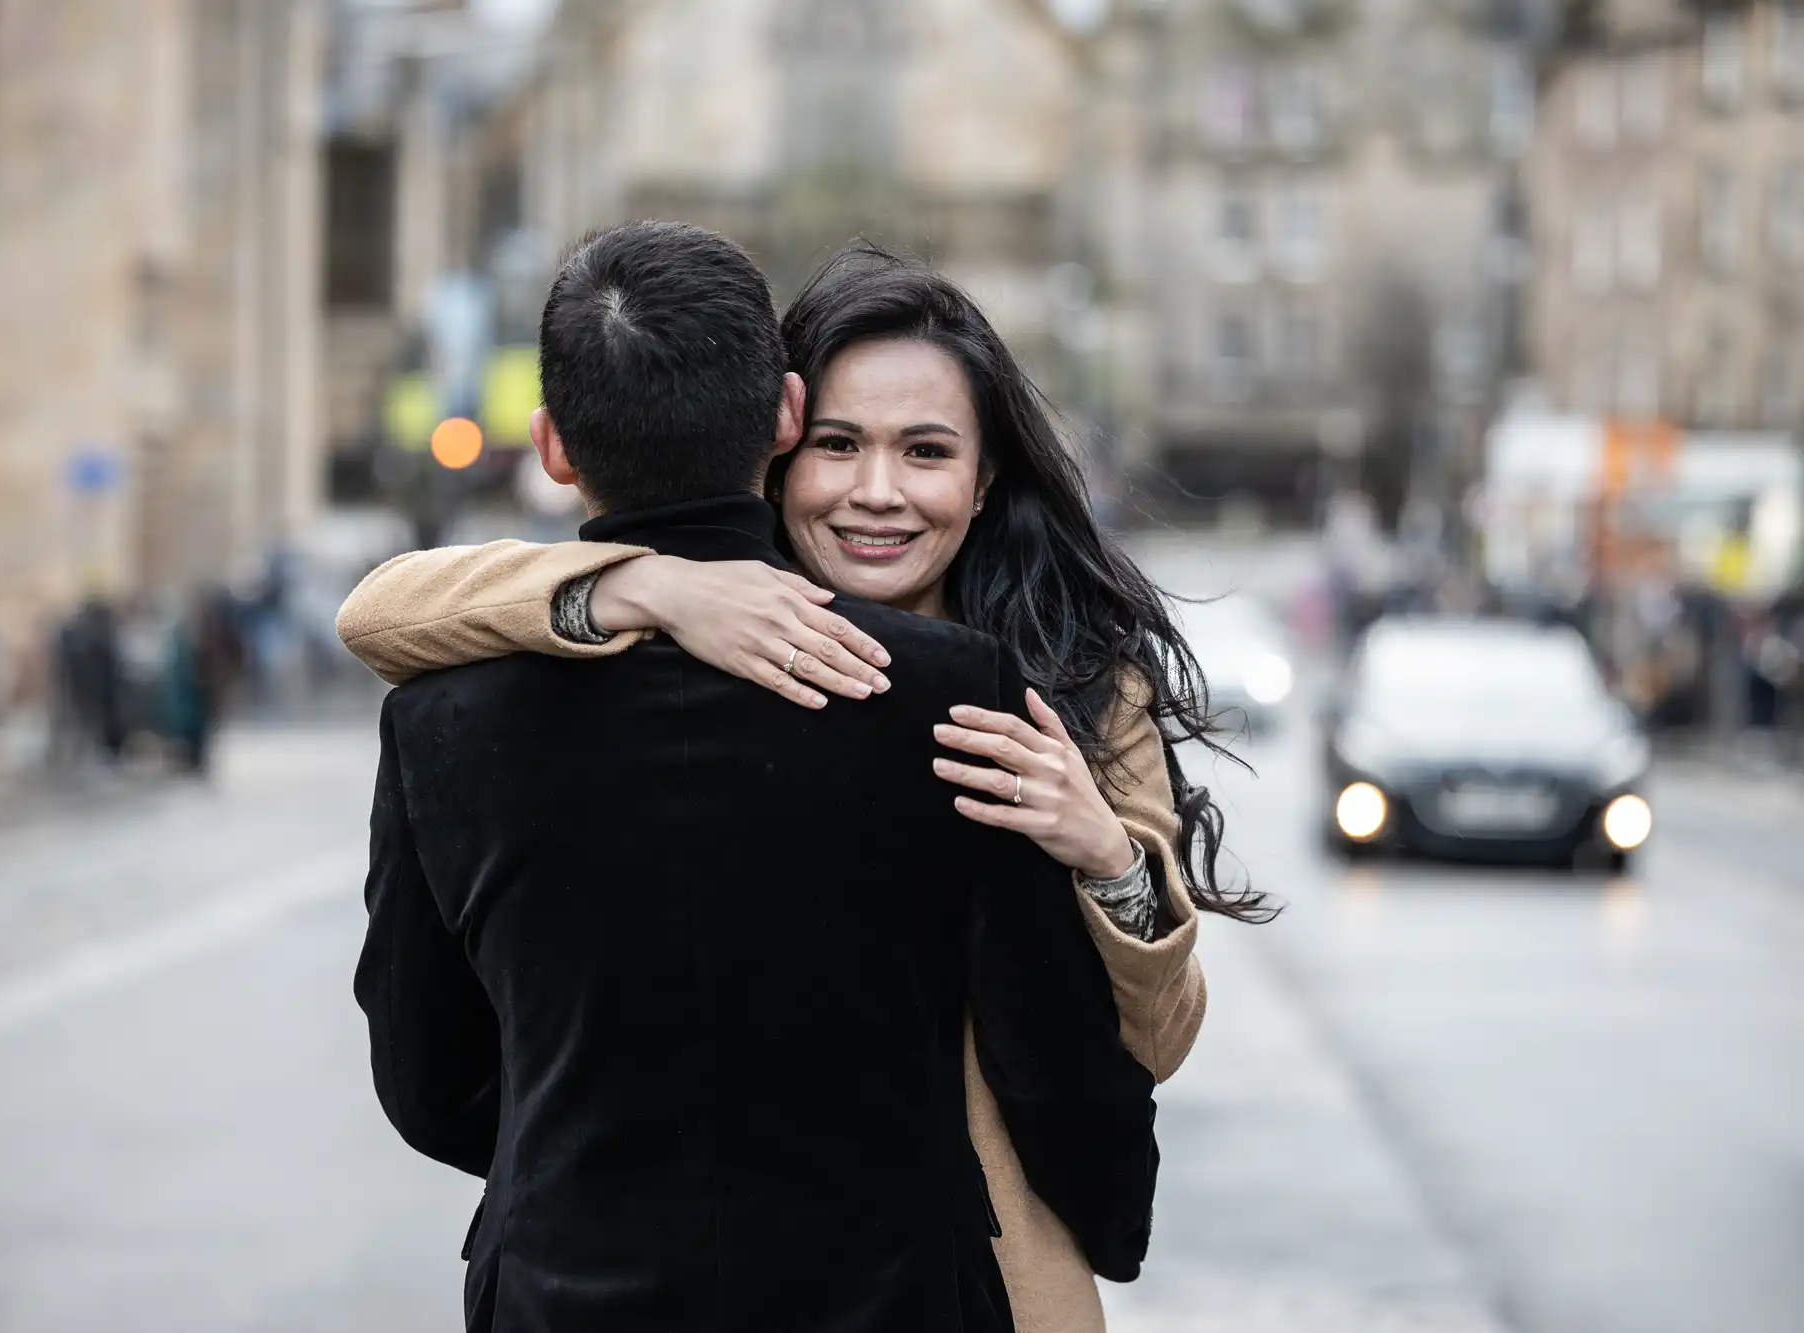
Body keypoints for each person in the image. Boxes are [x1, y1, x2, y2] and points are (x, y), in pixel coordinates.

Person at [343, 241, 1272, 1332]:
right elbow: (380, 612)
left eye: (924, 451)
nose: (874, 491)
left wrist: (1105, 860)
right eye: (839, 444)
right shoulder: (673, 624)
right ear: (782, 433)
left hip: (990, 1273)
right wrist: (643, 584)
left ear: (983, 481)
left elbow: (1131, 1052)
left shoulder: (1066, 682)